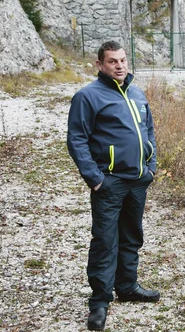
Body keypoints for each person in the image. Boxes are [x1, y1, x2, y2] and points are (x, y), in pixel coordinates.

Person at [67, 40, 159, 331]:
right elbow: (77, 139)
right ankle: (100, 301)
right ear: (100, 65)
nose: (119, 66)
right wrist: (95, 179)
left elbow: (149, 131)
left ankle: (128, 286)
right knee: (106, 240)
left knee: (132, 236)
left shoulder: (137, 93)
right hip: (109, 182)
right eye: (112, 61)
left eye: (122, 60)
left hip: (138, 180)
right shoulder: (87, 97)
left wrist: (151, 167)